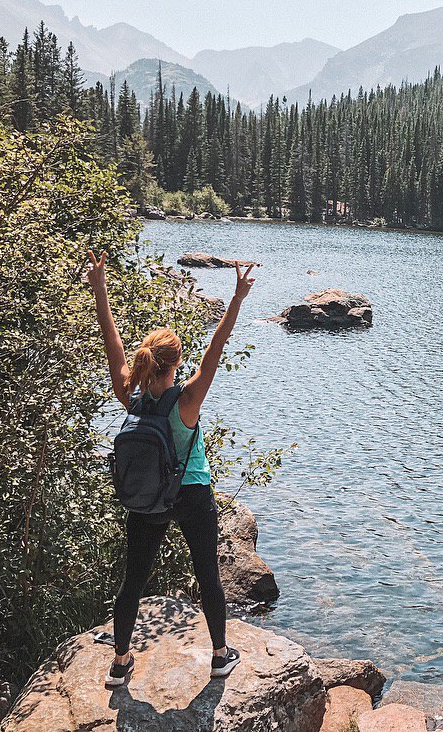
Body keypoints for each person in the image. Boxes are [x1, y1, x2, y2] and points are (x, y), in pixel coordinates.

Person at [87, 250, 256, 687]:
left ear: (147, 361)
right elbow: (216, 349)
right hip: (192, 493)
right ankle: (219, 656)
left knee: (132, 582)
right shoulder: (187, 399)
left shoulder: (132, 396)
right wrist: (236, 299)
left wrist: (100, 290)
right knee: (208, 577)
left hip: (147, 497)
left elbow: (113, 345)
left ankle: (120, 663)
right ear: (177, 363)